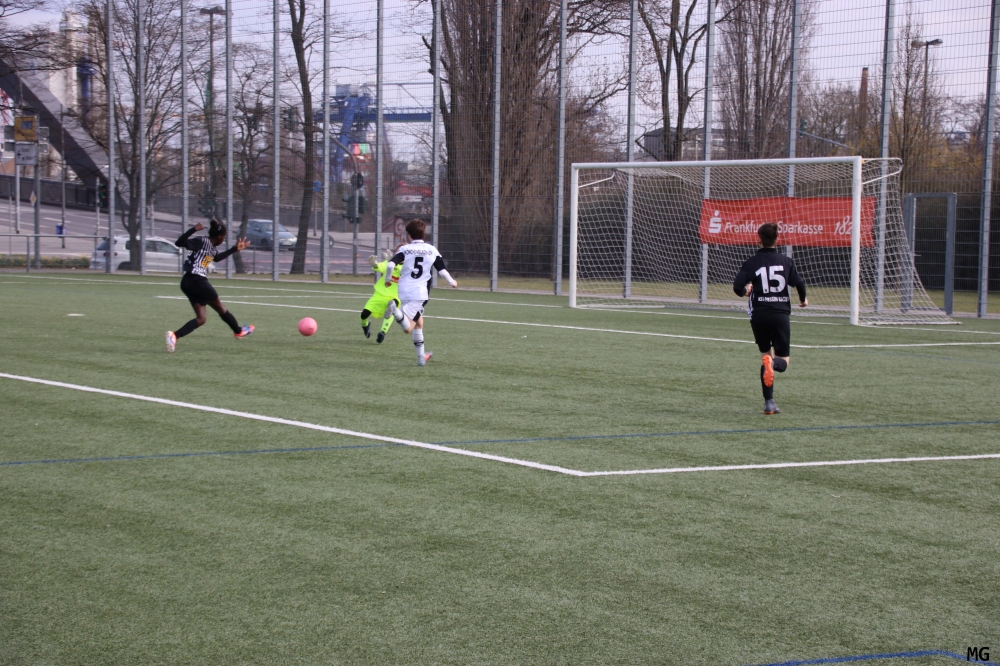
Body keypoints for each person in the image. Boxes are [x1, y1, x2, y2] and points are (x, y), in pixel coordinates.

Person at [732, 222, 808, 414]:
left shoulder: (752, 262)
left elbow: (737, 287)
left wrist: (745, 291)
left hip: (759, 315)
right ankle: (772, 365)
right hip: (780, 315)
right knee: (782, 362)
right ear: (777, 239)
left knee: (765, 355)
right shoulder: (786, 261)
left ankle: (769, 402)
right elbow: (799, 283)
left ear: (758, 239)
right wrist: (803, 299)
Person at [165, 219, 254, 353]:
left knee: (201, 319)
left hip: (188, 282)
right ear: (219, 237)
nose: (223, 240)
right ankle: (238, 331)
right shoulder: (202, 241)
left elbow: (216, 258)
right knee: (219, 306)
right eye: (223, 237)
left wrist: (235, 249)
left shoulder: (211, 248)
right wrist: (193, 229)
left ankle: (174, 336)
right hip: (196, 280)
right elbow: (179, 243)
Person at [384, 219, 458, 366]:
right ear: (424, 233)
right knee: (408, 328)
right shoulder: (431, 250)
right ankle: (395, 311)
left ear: (408, 235)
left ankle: (421, 358)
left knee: (419, 323)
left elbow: (391, 264)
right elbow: (442, 271)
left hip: (404, 290)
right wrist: (452, 282)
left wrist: (387, 279)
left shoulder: (405, 249)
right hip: (419, 294)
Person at [361, 248, 402, 344]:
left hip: (395, 295)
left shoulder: (407, 266)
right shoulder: (389, 262)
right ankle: (365, 326)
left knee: (392, 308)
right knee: (364, 315)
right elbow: (381, 267)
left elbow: (402, 273)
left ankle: (383, 332)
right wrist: (375, 265)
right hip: (380, 294)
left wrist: (393, 264)